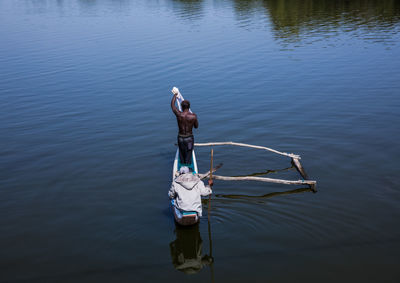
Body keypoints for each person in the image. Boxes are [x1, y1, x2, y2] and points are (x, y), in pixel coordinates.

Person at [171, 87, 199, 166]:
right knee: (189, 153)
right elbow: (196, 127)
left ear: (182, 107)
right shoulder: (193, 116)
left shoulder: (179, 114)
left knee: (182, 154)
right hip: (189, 139)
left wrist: (175, 95)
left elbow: (172, 105)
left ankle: (182, 169)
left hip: (180, 138)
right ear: (189, 107)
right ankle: (188, 170)